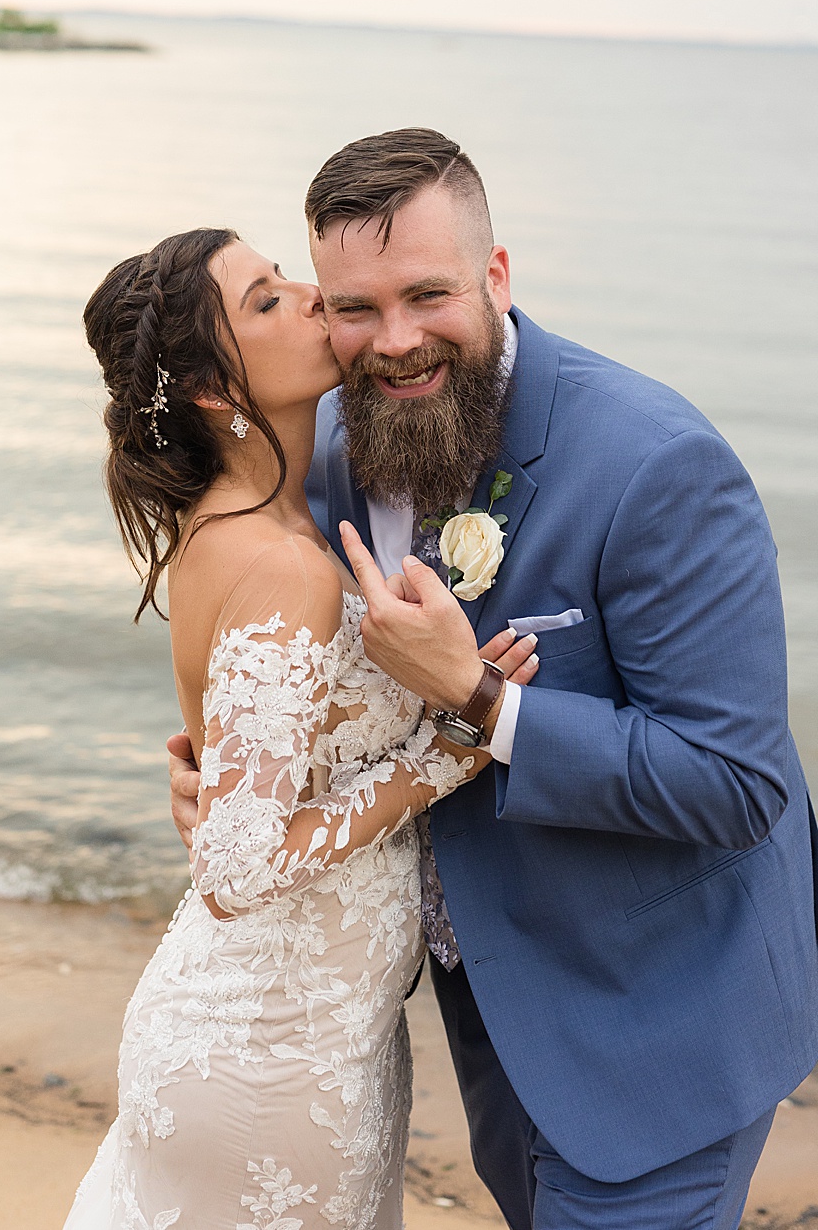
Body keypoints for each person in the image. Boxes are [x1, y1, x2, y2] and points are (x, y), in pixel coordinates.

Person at [166, 128, 818, 1229]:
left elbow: (736, 782)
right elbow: (284, 678)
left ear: (498, 275)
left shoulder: (657, 463)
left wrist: (483, 699)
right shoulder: (321, 446)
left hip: (654, 1021)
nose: (397, 340)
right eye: (355, 306)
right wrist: (226, 781)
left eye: (429, 293)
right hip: (488, 1020)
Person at [63, 225, 541, 1230]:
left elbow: (245, 764)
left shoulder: (237, 524)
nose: (310, 296)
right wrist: (443, 752)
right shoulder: (283, 562)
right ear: (213, 391)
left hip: (302, 1026)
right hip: (273, 1050)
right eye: (269, 300)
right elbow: (236, 868)